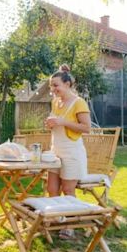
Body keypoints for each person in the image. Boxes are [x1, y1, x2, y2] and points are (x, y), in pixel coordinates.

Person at [44, 64, 91, 239]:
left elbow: (86, 128)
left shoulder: (79, 103)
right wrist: (50, 123)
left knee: (68, 190)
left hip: (72, 152)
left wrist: (62, 122)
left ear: (67, 84)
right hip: (55, 150)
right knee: (51, 188)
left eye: (56, 85)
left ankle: (69, 225)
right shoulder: (55, 102)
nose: (53, 89)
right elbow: (56, 122)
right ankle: (58, 218)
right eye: (51, 86)